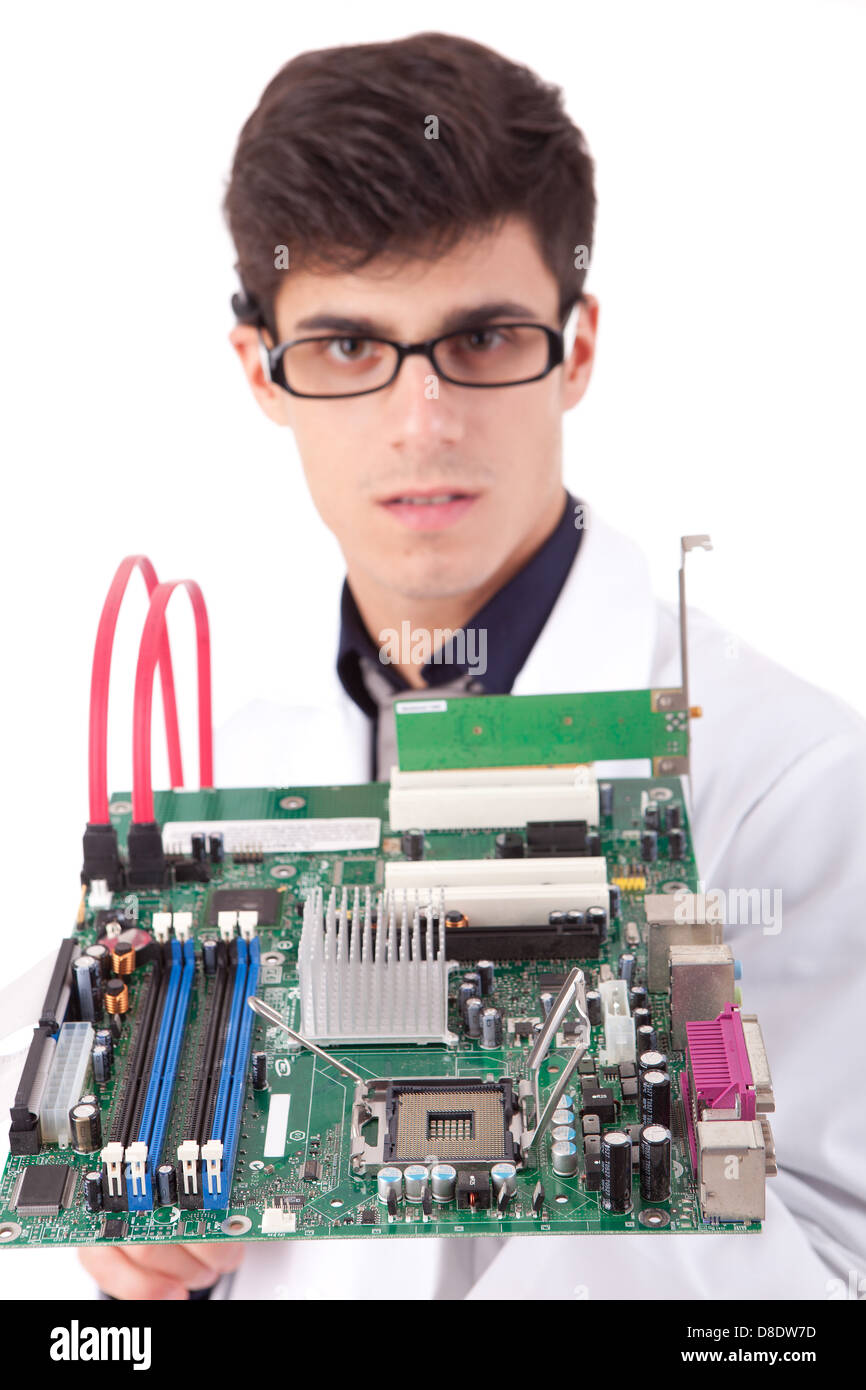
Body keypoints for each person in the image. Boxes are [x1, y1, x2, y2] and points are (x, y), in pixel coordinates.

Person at [77, 31, 866, 1300]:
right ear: (260, 371)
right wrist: (137, 1257)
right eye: (346, 347)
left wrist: (630, 1095)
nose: (421, 419)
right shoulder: (196, 772)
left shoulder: (782, 776)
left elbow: (832, 1279)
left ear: (577, 345)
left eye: (483, 339)